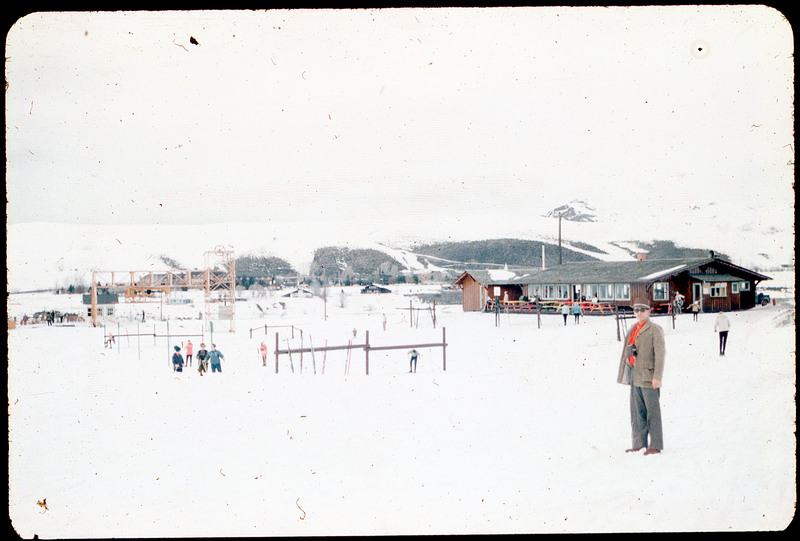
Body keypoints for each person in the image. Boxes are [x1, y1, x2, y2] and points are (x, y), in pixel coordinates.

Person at [616, 298, 665, 455]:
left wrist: (657, 376)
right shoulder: (632, 328)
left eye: (642, 310)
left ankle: (655, 445)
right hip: (634, 376)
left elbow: (660, 355)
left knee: (652, 412)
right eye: (636, 310)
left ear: (649, 311)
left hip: (649, 377)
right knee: (637, 413)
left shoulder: (655, 329)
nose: (638, 313)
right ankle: (638, 444)